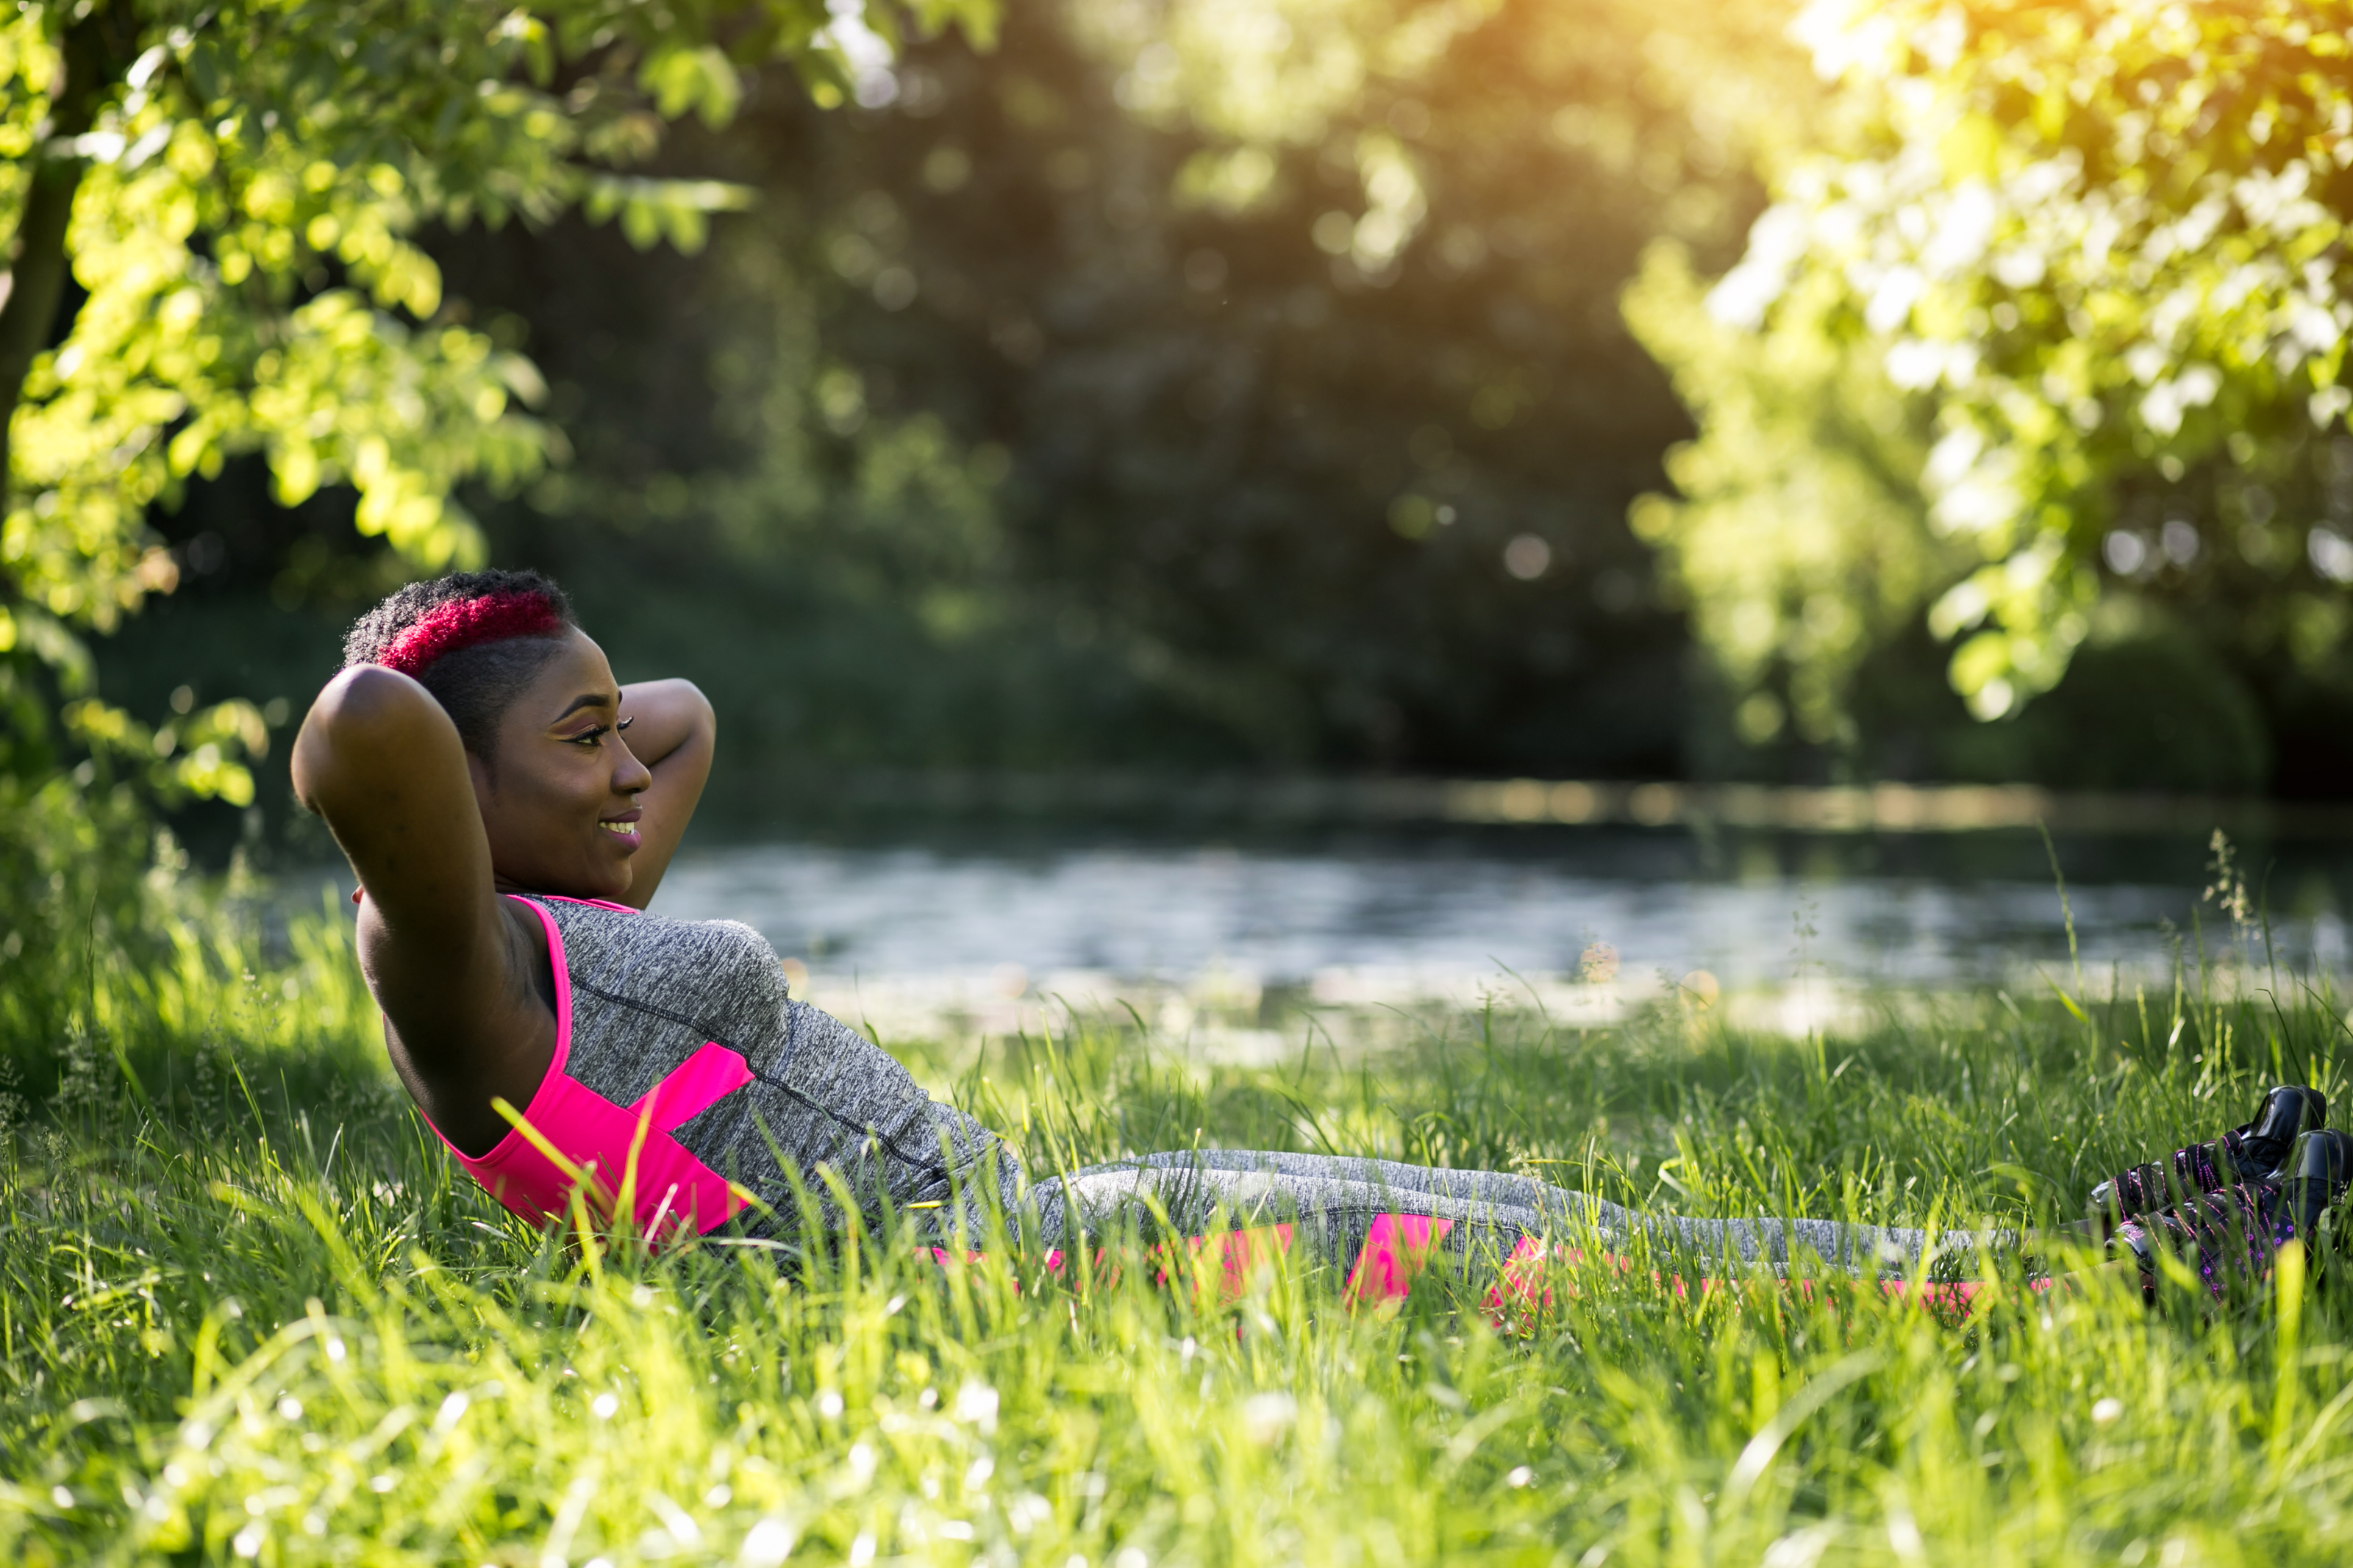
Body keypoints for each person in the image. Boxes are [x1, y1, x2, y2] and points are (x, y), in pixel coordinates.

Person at [293, 569, 2338, 1304]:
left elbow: (681, 718)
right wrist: (463, 721)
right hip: (987, 1273)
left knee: (1535, 1198)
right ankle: (2112, 1298)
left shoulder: (567, 909)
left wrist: (559, 723)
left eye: (610, 735)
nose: (637, 767)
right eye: (581, 746)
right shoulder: (468, 988)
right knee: (1538, 1263)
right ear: (451, 813)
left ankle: (2109, 1249)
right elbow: (360, 731)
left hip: (1052, 1214)